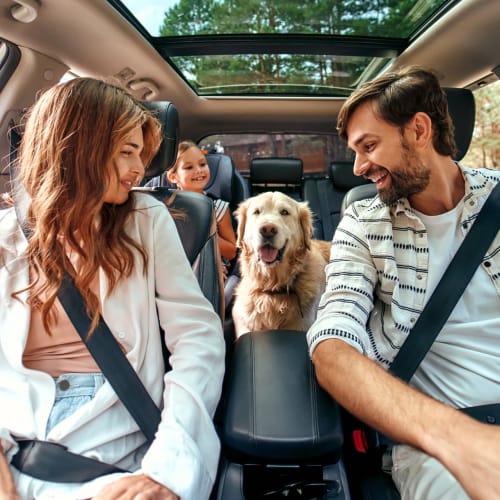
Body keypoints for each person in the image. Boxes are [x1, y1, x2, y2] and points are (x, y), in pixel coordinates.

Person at [0, 78, 225, 499]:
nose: (139, 170)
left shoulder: (146, 219)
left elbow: (198, 338)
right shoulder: (6, 236)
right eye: (126, 152)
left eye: (140, 154)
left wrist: (167, 469)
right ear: (75, 146)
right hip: (12, 433)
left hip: (108, 438)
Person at [307, 66, 500, 500]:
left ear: (418, 129)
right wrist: (460, 440)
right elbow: (333, 346)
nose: (357, 167)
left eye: (369, 146)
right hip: (435, 443)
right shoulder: (361, 222)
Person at [165, 141, 237, 276]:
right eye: (189, 167)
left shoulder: (218, 207)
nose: (199, 170)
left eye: (202, 164)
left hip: (209, 270)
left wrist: (202, 234)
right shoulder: (165, 207)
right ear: (173, 177)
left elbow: (231, 251)